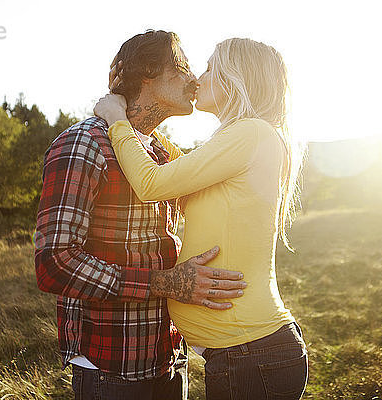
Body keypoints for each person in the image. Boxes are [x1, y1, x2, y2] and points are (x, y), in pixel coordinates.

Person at [34, 30, 247, 400]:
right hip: (110, 366)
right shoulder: (84, 144)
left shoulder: (161, 155)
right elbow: (54, 262)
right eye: (181, 67)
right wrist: (167, 283)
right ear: (147, 73)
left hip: (169, 359)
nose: (193, 79)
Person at [94, 38, 307, 399]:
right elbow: (179, 170)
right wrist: (136, 114)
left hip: (250, 354)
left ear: (235, 79)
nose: (198, 79)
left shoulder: (250, 133)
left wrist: (116, 119)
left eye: (210, 68)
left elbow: (151, 183)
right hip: (248, 354)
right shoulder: (247, 138)